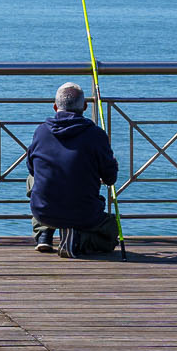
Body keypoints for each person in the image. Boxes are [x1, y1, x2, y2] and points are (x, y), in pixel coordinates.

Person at [29, 82, 119, 257]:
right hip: (84, 214)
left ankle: (44, 234)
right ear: (85, 107)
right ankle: (76, 238)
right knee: (110, 233)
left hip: (44, 211)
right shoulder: (96, 135)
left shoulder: (41, 132)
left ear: (55, 106)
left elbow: (31, 168)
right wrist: (111, 164)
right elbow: (110, 179)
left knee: (32, 179)